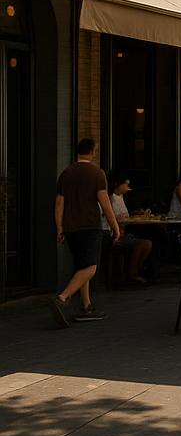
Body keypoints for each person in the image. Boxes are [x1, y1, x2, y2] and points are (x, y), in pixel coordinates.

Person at [50, 138, 120, 327]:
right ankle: (62, 298)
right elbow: (105, 203)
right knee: (91, 267)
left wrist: (59, 228)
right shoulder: (97, 173)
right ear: (93, 151)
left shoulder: (66, 173)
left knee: (82, 267)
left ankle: (86, 305)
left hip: (71, 227)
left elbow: (59, 203)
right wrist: (115, 226)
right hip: (90, 226)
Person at [103, 173, 153, 283]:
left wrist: (138, 213)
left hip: (124, 231)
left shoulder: (122, 198)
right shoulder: (110, 199)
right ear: (118, 185)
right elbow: (115, 217)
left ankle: (134, 270)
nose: (127, 187)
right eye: (125, 185)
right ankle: (132, 274)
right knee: (143, 243)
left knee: (148, 242)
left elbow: (126, 215)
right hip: (114, 235)